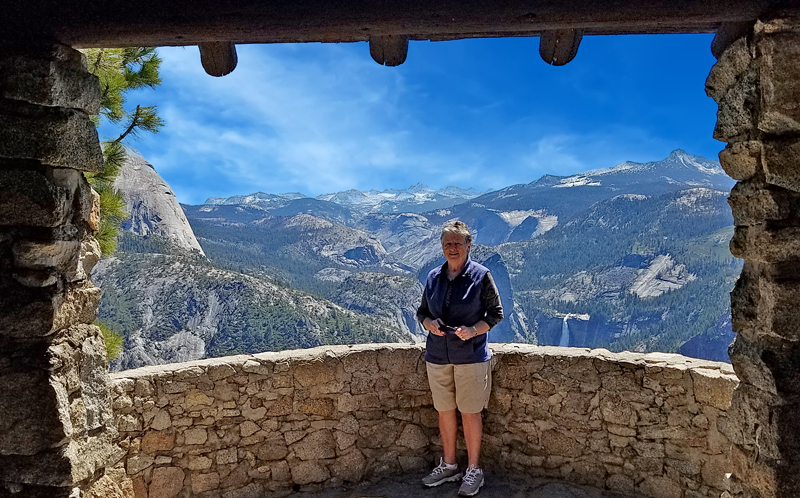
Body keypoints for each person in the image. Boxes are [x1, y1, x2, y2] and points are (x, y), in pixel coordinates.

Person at [417, 220, 504, 497]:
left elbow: (495, 314)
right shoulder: (433, 277)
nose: (452, 248)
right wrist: (429, 323)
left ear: (469, 246)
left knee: (469, 412)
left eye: (457, 243)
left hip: (471, 357)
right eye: (447, 243)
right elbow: (421, 312)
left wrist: (473, 330)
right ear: (442, 247)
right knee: (444, 412)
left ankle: (474, 470)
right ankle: (450, 464)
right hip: (437, 356)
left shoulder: (481, 276)